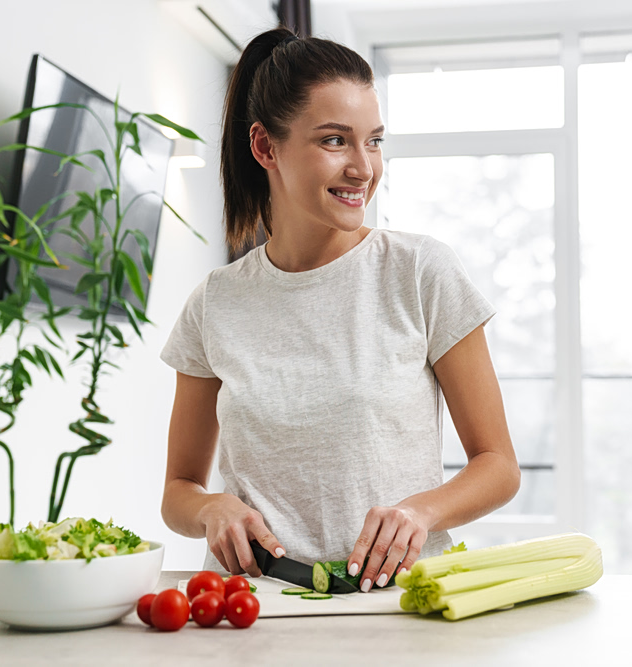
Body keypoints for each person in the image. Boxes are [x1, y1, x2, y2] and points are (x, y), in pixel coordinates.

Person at [159, 26, 520, 593]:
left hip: (398, 603)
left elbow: (498, 465)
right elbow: (179, 488)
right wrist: (210, 510)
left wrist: (421, 512)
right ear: (265, 147)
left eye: (373, 141)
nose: (363, 167)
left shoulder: (420, 272)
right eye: (334, 141)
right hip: (252, 607)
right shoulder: (215, 302)